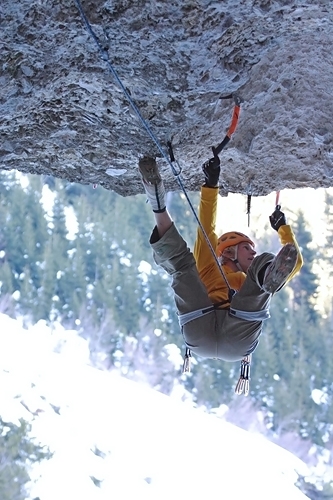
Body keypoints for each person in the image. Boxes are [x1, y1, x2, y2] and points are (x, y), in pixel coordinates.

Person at [138, 155, 303, 363]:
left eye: (247, 248)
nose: (252, 253)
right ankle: (155, 196)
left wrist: (211, 185)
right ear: (228, 253)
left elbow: (206, 227)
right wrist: (282, 229)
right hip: (229, 339)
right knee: (263, 273)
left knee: (182, 265)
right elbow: (292, 262)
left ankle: (157, 200)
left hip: (203, 328)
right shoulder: (247, 286)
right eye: (247, 248)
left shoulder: (210, 267)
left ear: (227, 252)